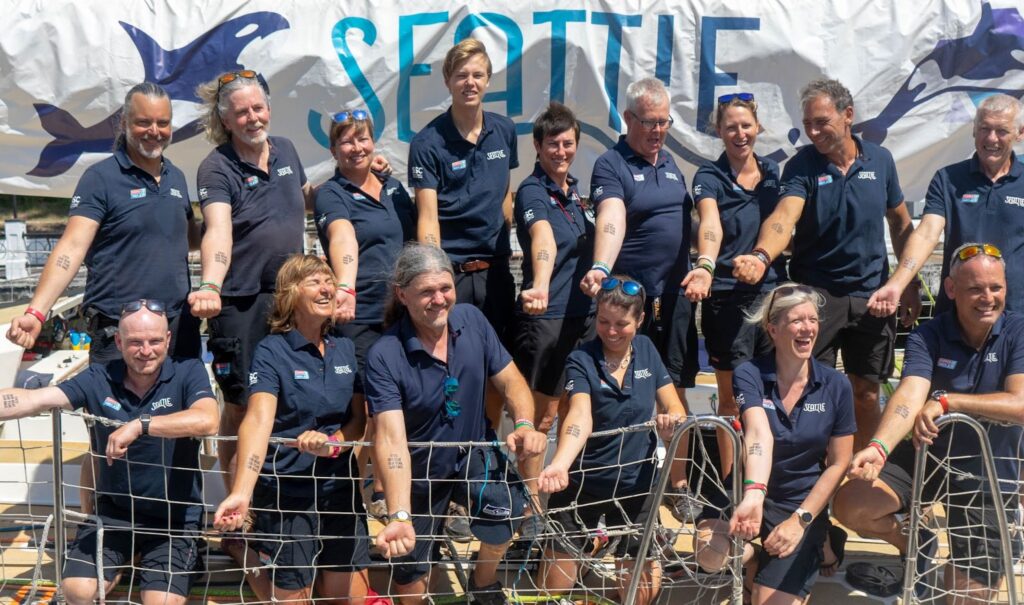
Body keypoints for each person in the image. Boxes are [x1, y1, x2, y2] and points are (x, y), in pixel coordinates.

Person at [732, 78, 915, 451]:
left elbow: (900, 223)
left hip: (871, 296)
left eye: (821, 122)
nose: (813, 132)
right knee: (811, 392)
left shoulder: (881, 161)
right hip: (815, 298)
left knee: (865, 392)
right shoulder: (801, 166)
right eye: (808, 123)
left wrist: (907, 282)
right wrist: (762, 255)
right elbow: (784, 217)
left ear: (848, 116)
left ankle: (861, 479)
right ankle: (812, 481)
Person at [836, 243, 1024, 603]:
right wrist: (879, 447)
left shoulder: (1019, 331)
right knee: (852, 503)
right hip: (929, 456)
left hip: (986, 474)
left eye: (996, 288)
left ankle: (999, 543)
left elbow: (1020, 404)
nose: (988, 298)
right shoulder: (929, 333)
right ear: (951, 290)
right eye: (975, 289)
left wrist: (947, 401)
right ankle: (917, 541)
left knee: (961, 599)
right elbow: (909, 394)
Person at [0, 302, 219, 605]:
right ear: (118, 342)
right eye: (134, 342)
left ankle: (155, 557)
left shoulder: (188, 371)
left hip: (175, 520)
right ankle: (133, 556)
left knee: (161, 602)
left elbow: (208, 419)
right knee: (77, 591)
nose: (146, 350)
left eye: (155, 341)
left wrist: (140, 426)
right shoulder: (98, 377)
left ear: (168, 339)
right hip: (114, 513)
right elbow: (34, 399)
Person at [366, 243, 546, 605]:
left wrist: (524, 424)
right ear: (402, 295)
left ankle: (482, 585)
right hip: (420, 470)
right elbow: (390, 440)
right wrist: (399, 513)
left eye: (445, 288)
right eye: (426, 292)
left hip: (473, 452)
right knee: (411, 565)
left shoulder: (472, 320)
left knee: (505, 508)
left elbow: (511, 382)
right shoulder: (384, 355)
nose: (439, 299)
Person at [213, 255, 370, 603]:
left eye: (329, 280)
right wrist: (241, 492)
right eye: (314, 282)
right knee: (293, 599)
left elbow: (359, 421)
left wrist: (332, 442)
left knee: (351, 600)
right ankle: (244, 550)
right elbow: (257, 420)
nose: (327, 288)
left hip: (339, 490)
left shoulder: (346, 348)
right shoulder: (271, 351)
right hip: (287, 493)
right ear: (289, 294)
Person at [7, 82, 200, 363]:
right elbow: (71, 248)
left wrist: (238, 223)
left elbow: (191, 239)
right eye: (143, 122)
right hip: (120, 333)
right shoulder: (100, 179)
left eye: (163, 123)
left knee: (187, 409)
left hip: (177, 327)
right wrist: (36, 312)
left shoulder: (178, 178)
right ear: (123, 123)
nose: (154, 131)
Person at [579, 76, 697, 518]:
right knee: (624, 390)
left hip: (676, 300)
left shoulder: (669, 163)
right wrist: (602, 267)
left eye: (664, 122)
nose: (658, 131)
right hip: (630, 304)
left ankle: (679, 483)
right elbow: (611, 218)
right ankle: (618, 478)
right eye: (649, 122)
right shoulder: (610, 164)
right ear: (628, 118)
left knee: (678, 391)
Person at [694, 284, 855, 604]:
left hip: (799, 497)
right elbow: (757, 433)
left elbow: (839, 463)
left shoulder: (836, 384)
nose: (807, 328)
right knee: (709, 557)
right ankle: (754, 555)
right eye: (797, 320)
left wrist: (801, 521)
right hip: (745, 488)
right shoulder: (749, 373)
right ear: (773, 328)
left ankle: (821, 539)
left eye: (812, 319)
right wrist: (754, 493)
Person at [191, 70, 310, 491]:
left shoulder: (289, 152)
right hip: (241, 304)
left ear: (270, 109)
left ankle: (277, 496)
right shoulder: (216, 167)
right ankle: (235, 510)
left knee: (290, 400)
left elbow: (306, 198)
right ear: (225, 120)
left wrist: (367, 171)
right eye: (241, 112)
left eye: (258, 108)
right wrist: (210, 284)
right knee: (241, 404)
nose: (252, 118)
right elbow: (218, 229)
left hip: (292, 300)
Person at [536, 275, 687, 605]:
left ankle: (603, 555)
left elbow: (674, 405)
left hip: (637, 485)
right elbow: (579, 416)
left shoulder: (647, 349)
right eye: (604, 321)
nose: (612, 331)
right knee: (553, 588)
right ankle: (590, 547)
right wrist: (559, 465)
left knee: (643, 594)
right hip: (582, 483)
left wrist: (671, 421)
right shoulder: (581, 358)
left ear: (640, 320)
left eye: (622, 323)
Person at [684, 92, 786, 478]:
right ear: (719, 131)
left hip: (771, 295)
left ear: (758, 127)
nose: (740, 133)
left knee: (772, 395)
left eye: (746, 125)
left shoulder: (775, 174)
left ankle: (766, 481)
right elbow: (708, 223)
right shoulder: (708, 176)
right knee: (730, 398)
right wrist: (708, 266)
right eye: (731, 127)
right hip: (725, 297)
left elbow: (784, 225)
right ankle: (731, 486)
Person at [868, 94, 1024, 320]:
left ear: (1020, 133)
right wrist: (897, 284)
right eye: (984, 129)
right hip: (957, 314)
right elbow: (926, 234)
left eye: (1002, 131)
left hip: (1016, 314)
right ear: (973, 130)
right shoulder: (948, 179)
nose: (991, 138)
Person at [407, 39, 519, 346]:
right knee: (451, 361)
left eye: (477, 75)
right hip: (451, 273)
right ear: (447, 81)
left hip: (496, 273)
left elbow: (505, 197)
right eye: (461, 75)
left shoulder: (505, 131)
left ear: (487, 80)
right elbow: (428, 219)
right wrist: (436, 276)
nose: (470, 82)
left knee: (498, 361)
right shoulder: (426, 143)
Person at [511, 101, 595, 506]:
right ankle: (529, 508)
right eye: (552, 145)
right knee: (542, 417)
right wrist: (541, 284)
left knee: (573, 411)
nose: (561, 152)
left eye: (568, 143)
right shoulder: (532, 190)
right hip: (549, 317)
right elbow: (542, 238)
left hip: (585, 317)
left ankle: (555, 496)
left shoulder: (575, 192)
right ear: (537, 147)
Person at [315, 110, 416, 371]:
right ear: (333, 150)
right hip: (359, 315)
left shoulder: (393, 186)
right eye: (347, 142)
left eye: (363, 139)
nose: (357, 148)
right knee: (362, 404)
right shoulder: (330, 193)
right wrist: (346, 289)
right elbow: (342, 236)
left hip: (405, 311)